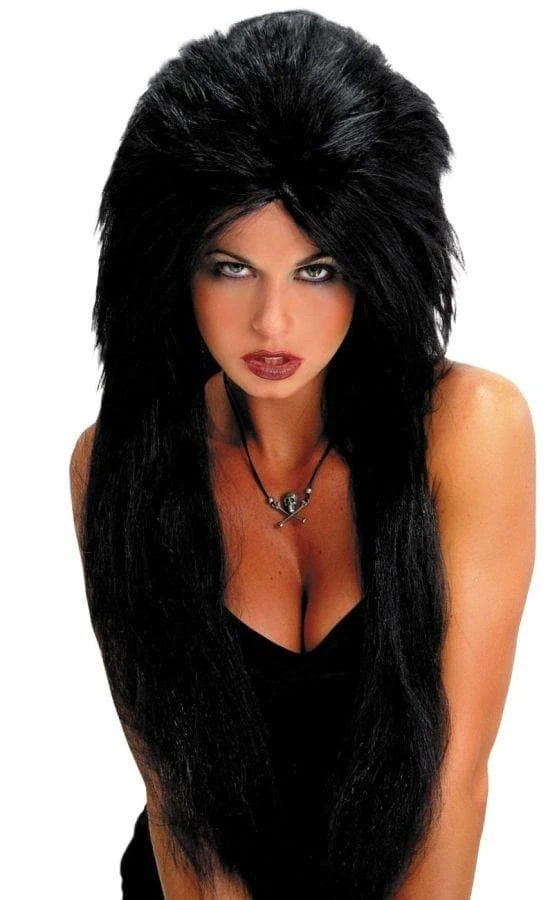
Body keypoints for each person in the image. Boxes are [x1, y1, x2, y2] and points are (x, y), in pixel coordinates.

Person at [69, 10, 535, 899]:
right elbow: (179, 805)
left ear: (376, 263)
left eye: (317, 270)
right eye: (230, 267)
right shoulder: (118, 464)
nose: (272, 323)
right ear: (170, 267)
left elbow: (452, 783)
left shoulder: (469, 427)